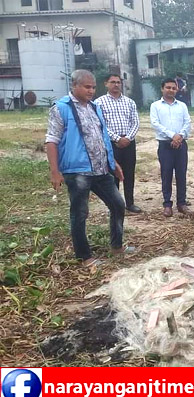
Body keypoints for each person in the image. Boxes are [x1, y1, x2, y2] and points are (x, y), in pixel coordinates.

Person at [45, 69, 130, 267]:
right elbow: (52, 140)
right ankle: (84, 257)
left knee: (118, 204)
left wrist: (113, 163)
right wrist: (55, 171)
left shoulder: (94, 107)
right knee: (80, 213)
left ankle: (116, 246)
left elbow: (102, 138)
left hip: (100, 170)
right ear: (74, 86)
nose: (91, 91)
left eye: (93, 87)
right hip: (77, 171)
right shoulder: (61, 108)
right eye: (86, 87)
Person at [95, 73, 142, 214]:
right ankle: (114, 205)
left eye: (118, 82)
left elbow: (135, 122)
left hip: (129, 143)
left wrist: (128, 138)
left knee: (129, 173)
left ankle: (130, 203)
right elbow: (100, 125)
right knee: (112, 174)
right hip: (111, 144)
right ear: (106, 84)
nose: (116, 84)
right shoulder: (99, 103)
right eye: (113, 82)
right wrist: (116, 139)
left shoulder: (129, 102)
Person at [150, 78, 192, 217]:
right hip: (165, 145)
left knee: (181, 174)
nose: (171, 90)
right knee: (166, 175)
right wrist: (172, 135)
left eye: (174, 88)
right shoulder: (155, 106)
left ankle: (181, 203)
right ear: (162, 89)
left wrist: (179, 136)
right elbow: (155, 124)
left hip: (181, 144)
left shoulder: (182, 106)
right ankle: (167, 204)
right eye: (168, 87)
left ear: (177, 90)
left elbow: (187, 122)